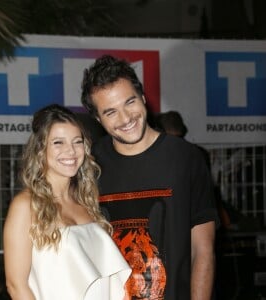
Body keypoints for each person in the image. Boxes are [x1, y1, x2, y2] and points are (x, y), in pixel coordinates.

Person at [81, 55, 218, 300]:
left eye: (130, 102)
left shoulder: (185, 157)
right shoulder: (89, 163)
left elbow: (203, 250)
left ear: (143, 98)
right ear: (98, 119)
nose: (125, 118)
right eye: (110, 112)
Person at [3, 104, 131, 300]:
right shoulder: (26, 206)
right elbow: (17, 286)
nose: (70, 151)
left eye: (77, 141)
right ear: (40, 149)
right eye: (58, 142)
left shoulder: (86, 201)